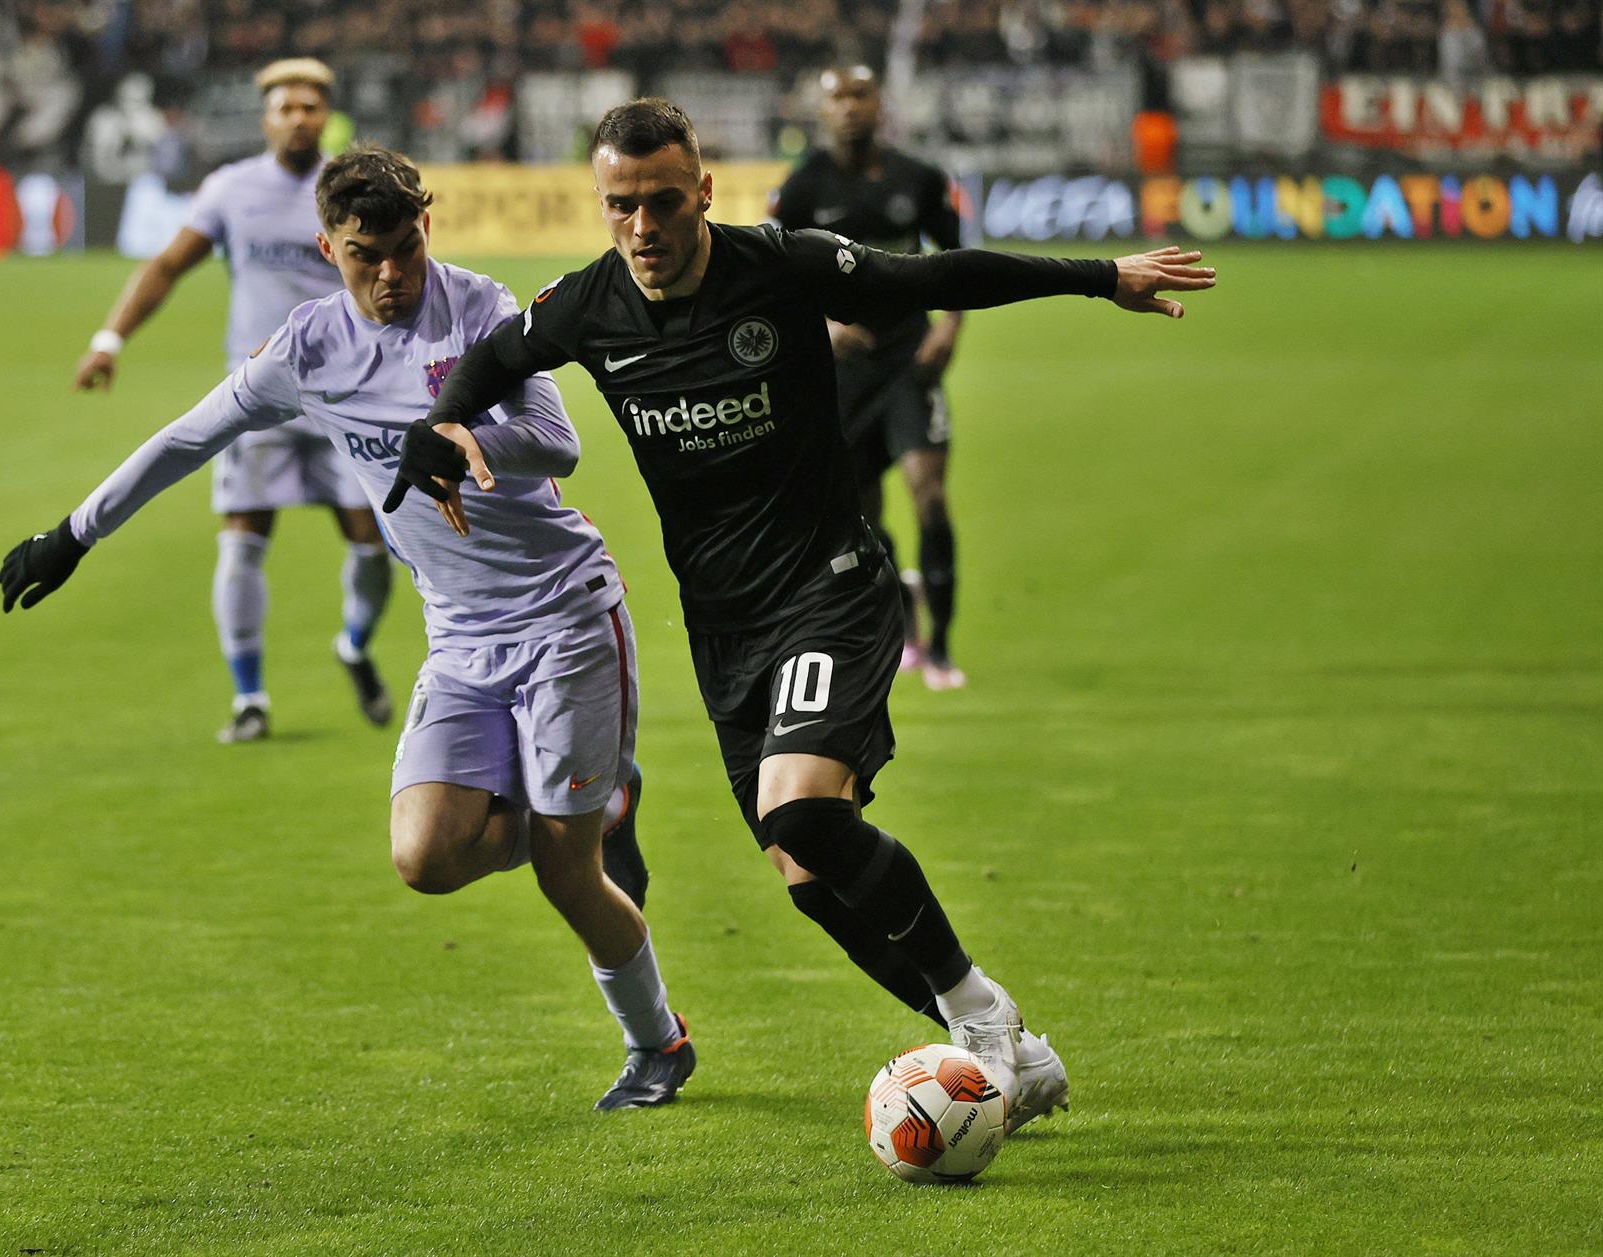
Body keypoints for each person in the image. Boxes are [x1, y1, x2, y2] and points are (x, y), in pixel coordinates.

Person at [393, 98, 1214, 1132]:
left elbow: (933, 277)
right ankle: (1016, 1054)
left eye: (660, 202)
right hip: (723, 622)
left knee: (801, 813)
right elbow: (498, 356)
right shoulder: (588, 305)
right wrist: (443, 425)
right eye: (618, 205)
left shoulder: (780, 263)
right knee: (804, 871)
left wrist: (1103, 278)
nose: (641, 226)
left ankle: (981, 1016)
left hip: (830, 582)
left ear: (703, 193)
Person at [0, 146, 689, 1111]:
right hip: (459, 635)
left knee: (569, 878)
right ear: (329, 247)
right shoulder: (308, 348)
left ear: (427, 231)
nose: (393, 272)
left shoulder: (483, 310)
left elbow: (560, 441)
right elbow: (189, 437)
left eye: (406, 246)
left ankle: (656, 1042)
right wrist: (73, 534)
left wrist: (460, 436)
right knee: (424, 856)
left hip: (565, 614)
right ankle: (588, 797)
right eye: (368, 253)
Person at [72, 57, 394, 743]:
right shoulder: (231, 189)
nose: (298, 117)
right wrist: (110, 338)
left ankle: (355, 645)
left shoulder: (358, 187)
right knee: (243, 539)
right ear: (266, 117)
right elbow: (166, 265)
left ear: (326, 114)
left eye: (310, 106)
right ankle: (250, 697)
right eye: (286, 107)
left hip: (349, 393)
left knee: (373, 543)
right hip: (259, 394)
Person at [771, 65, 968, 690]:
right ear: (821, 109)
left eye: (861, 95)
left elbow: (960, 258)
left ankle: (940, 646)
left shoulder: (919, 179)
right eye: (837, 98)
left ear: (879, 104)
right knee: (861, 512)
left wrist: (950, 327)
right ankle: (903, 611)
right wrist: (822, 329)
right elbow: (774, 280)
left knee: (929, 494)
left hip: (911, 361)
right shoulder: (802, 191)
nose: (851, 108)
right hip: (846, 373)